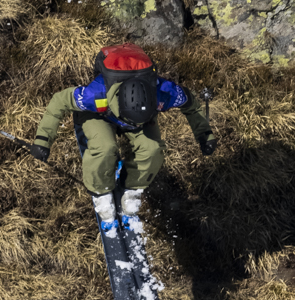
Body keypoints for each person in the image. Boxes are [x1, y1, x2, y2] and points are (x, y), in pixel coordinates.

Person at [30, 42, 218, 227]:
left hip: (142, 114)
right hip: (100, 115)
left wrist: (205, 135)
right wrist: (43, 141)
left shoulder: (164, 93)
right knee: (105, 148)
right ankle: (101, 191)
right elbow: (59, 101)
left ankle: (131, 187)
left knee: (152, 149)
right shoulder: (95, 95)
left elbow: (191, 104)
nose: (135, 127)